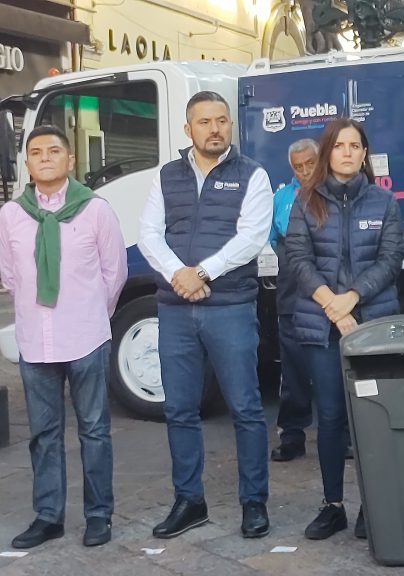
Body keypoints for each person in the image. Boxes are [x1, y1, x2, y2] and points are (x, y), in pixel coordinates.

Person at [139, 91, 274, 539]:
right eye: (205, 122)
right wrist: (179, 275)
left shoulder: (252, 175)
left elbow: (252, 237)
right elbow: (148, 234)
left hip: (230, 307)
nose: (215, 128)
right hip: (176, 309)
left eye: (222, 120)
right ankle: (189, 501)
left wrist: (201, 272)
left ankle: (253, 503)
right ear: (188, 129)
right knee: (179, 409)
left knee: (246, 408)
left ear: (230, 126)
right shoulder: (166, 176)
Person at [0, 126, 128, 549]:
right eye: (35, 152)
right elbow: (8, 275)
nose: (45, 158)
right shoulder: (11, 215)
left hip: (87, 338)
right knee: (43, 434)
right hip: (36, 341)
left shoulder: (95, 210)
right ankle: (48, 515)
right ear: (28, 164)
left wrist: (92, 315)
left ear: (71, 161)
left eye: (54, 151)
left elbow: (115, 273)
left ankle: (98, 514)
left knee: (94, 430)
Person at [285, 118, 404, 540]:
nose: (349, 152)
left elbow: (391, 260)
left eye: (356, 146)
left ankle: (374, 505)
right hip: (323, 326)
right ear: (328, 152)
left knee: (372, 418)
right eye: (340, 146)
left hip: (371, 324)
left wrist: (352, 298)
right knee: (332, 417)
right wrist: (333, 308)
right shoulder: (305, 201)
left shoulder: (384, 203)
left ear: (365, 154)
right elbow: (298, 260)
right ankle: (332, 505)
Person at [269, 138, 318, 463]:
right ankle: (292, 436)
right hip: (290, 295)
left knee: (332, 372)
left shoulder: (330, 193)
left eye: (309, 164)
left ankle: (342, 436)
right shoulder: (282, 198)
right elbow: (274, 239)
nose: (303, 172)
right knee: (293, 371)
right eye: (297, 167)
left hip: (326, 295)